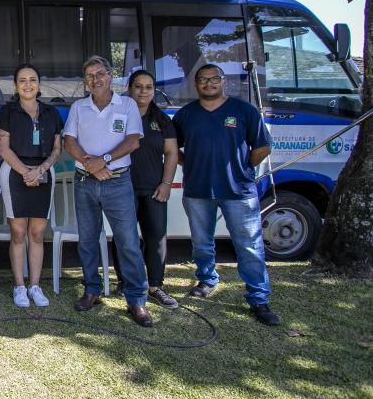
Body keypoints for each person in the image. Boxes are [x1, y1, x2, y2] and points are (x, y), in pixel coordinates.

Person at [172, 63, 280, 325]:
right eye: (203, 79)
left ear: (223, 81)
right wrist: (191, 164)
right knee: (202, 242)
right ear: (196, 84)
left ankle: (258, 297)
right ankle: (207, 280)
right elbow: (172, 148)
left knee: (249, 246)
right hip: (198, 190)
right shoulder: (185, 115)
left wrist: (242, 167)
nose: (208, 84)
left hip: (238, 191)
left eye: (214, 79)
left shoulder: (244, 110)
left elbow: (263, 147)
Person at [63, 55, 153, 327]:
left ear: (110, 75)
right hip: (85, 182)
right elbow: (69, 141)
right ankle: (92, 290)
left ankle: (136, 299)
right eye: (90, 76)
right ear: (85, 81)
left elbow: (133, 141)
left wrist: (103, 161)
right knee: (88, 241)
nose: (96, 79)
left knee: (128, 242)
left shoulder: (127, 105)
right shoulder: (79, 107)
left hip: (117, 182)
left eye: (100, 73)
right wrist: (91, 166)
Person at [110, 70, 180, 309]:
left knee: (156, 236)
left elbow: (172, 153)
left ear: (153, 91)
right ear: (129, 89)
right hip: (122, 186)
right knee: (124, 237)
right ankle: (125, 282)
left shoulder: (162, 119)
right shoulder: (117, 114)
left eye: (148, 87)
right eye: (138, 86)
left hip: (154, 188)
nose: (143, 91)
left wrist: (166, 184)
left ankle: (155, 286)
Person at [0, 64, 61, 308]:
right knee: (18, 232)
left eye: (32, 79)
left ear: (39, 84)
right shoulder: (8, 111)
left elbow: (57, 148)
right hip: (15, 174)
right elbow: (4, 148)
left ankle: (34, 286)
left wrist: (40, 171)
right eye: (22, 80)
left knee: (37, 233)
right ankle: (19, 286)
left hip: (43, 173)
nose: (27, 84)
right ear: (15, 85)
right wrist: (26, 173)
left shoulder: (51, 112)